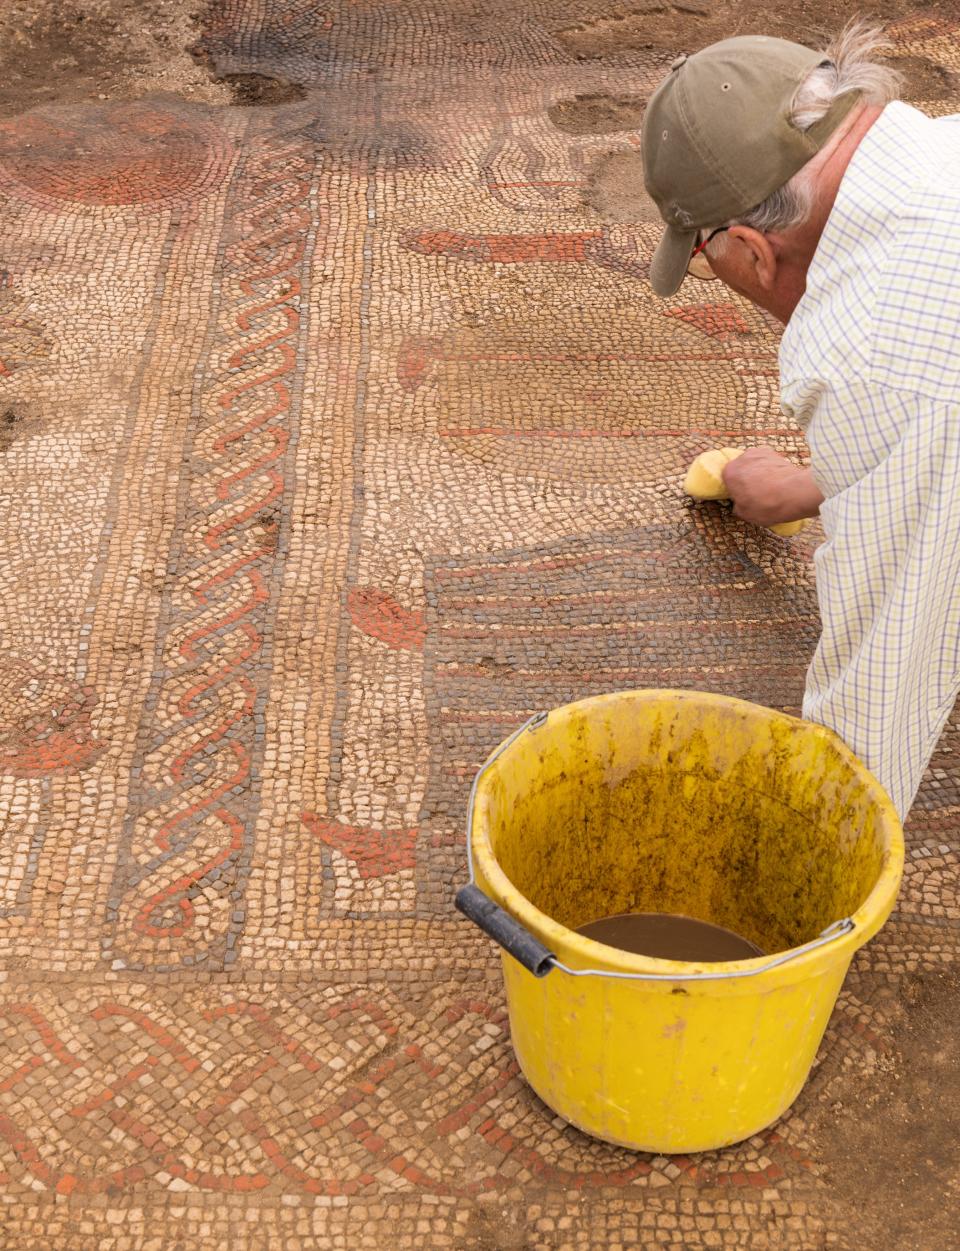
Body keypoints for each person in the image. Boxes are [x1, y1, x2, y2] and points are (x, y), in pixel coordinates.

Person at [641, 22, 960, 819]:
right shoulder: (940, 153)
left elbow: (886, 673)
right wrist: (829, 482)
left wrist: (809, 869)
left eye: (710, 256)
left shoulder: (872, 341)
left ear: (751, 249)